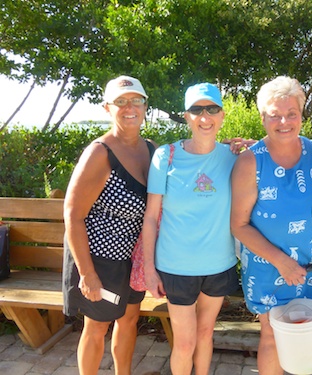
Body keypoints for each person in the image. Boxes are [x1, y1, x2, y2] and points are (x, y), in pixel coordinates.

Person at [231, 76, 312, 374]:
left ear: (302, 115)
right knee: (272, 337)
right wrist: (281, 262)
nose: (284, 121)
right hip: (268, 268)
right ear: (263, 117)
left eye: (292, 114)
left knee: (311, 337)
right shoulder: (250, 162)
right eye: (275, 115)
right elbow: (239, 225)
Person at [142, 83, 241, 375]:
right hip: (176, 267)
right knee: (184, 344)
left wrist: (252, 145)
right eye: (196, 110)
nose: (204, 116)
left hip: (219, 265)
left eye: (212, 109)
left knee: (205, 334)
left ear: (222, 115)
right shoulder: (166, 156)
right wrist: (149, 268)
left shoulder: (233, 157)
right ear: (186, 116)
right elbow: (150, 217)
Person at [63, 75, 156, 375]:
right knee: (96, 327)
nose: (129, 107)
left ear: (145, 106)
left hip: (134, 259)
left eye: (136, 101)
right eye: (120, 101)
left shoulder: (152, 150)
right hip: (100, 260)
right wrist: (87, 273)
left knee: (129, 321)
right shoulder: (100, 153)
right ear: (107, 108)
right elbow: (73, 215)